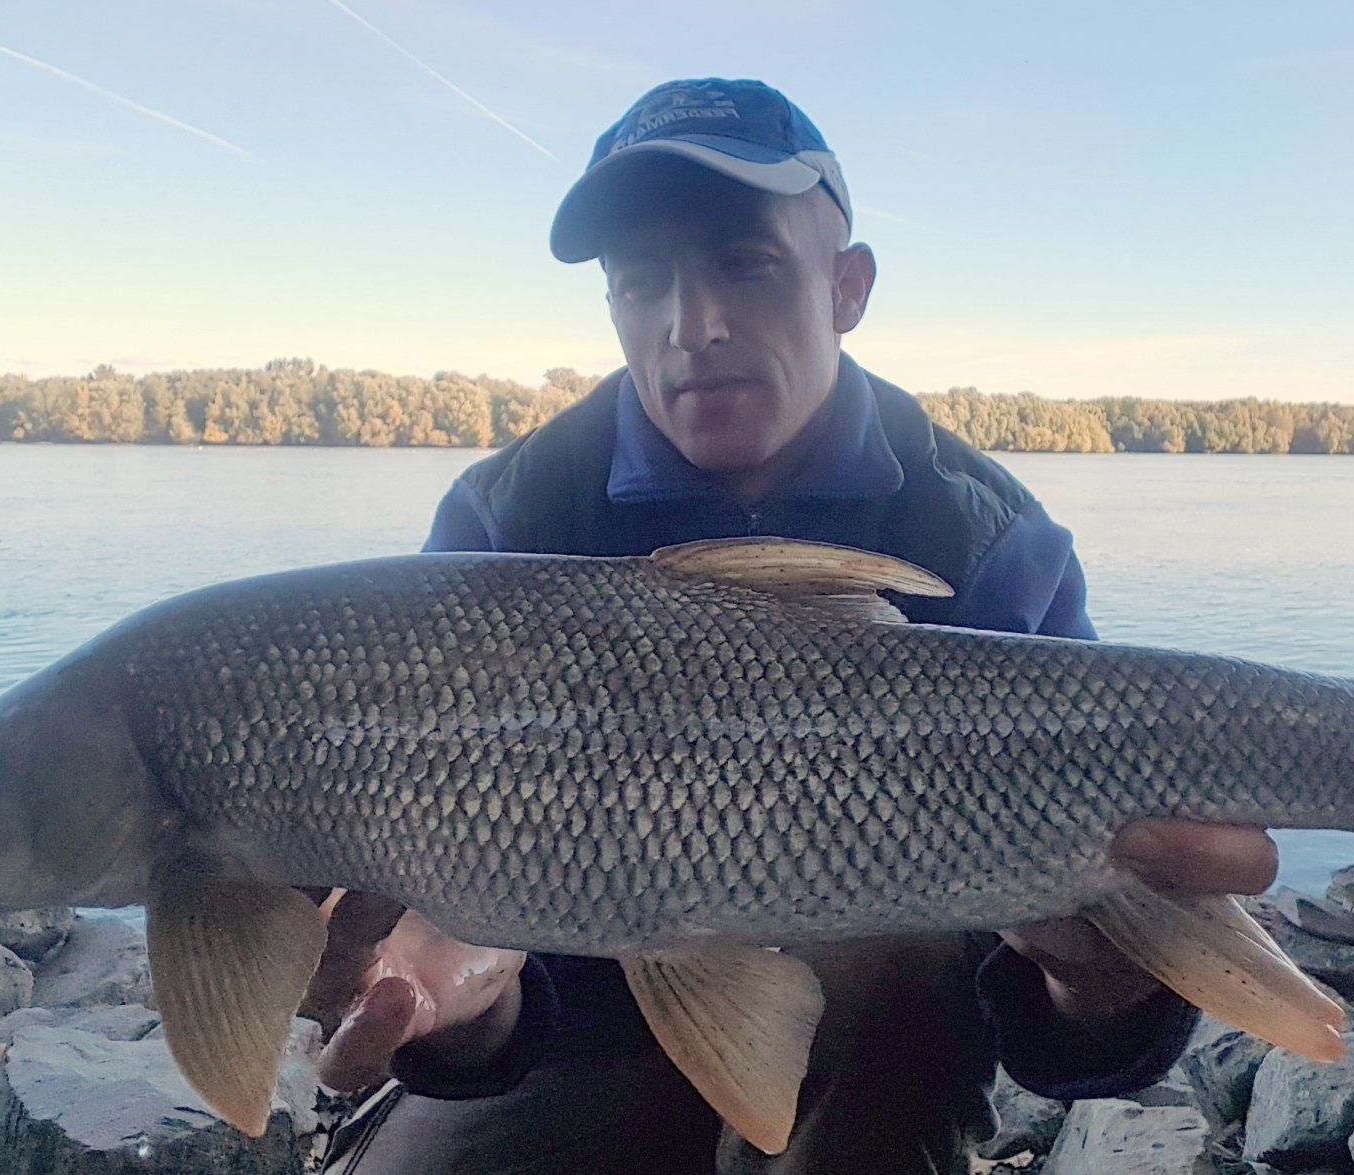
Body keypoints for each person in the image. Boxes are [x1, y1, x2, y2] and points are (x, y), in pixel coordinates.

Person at [313, 78, 1279, 1174]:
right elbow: (463, 939)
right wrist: (450, 1008)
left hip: (870, 1052)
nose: (694, 325)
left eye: (745, 263)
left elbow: (1059, 1032)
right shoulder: (508, 521)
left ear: (847, 285)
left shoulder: (981, 538)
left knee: (898, 966)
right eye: (641, 281)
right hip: (576, 1033)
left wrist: (1104, 987)